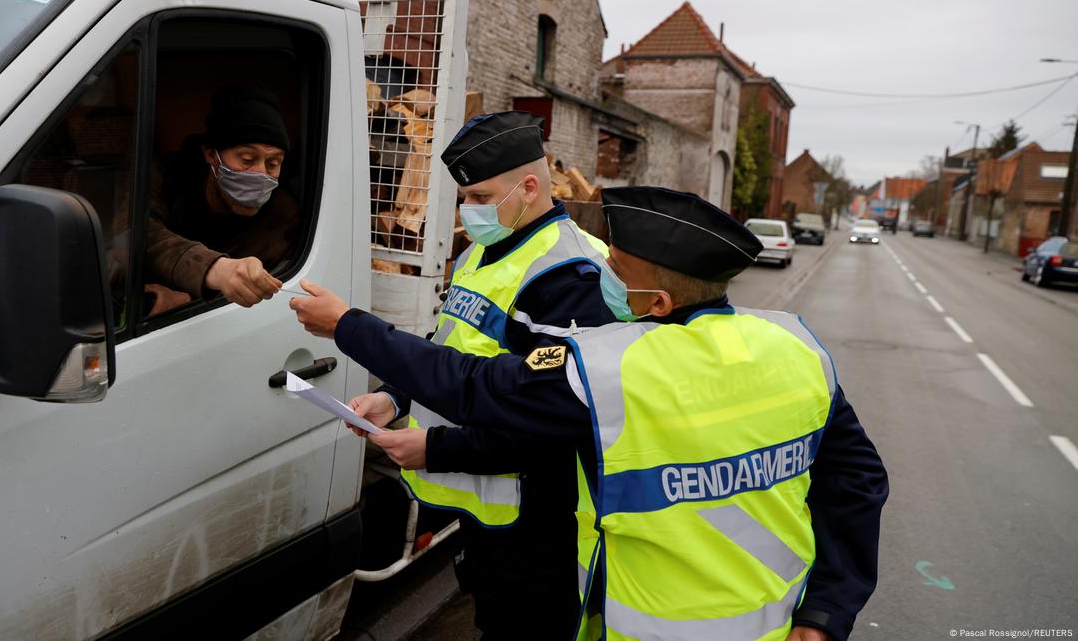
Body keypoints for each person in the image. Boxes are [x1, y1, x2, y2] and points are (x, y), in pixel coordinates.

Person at [291, 187, 889, 641]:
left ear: (656, 301)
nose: (600, 276)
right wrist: (829, 609)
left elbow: (471, 385)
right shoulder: (796, 347)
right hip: (779, 623)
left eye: (616, 271)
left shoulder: (615, 369)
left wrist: (347, 325)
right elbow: (858, 481)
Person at [328, 111, 615, 637]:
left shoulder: (573, 276)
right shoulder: (480, 253)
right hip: (490, 513)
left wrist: (435, 450)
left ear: (529, 188)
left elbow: (548, 422)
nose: (469, 210)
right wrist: (395, 400)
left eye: (481, 197)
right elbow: (448, 348)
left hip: (543, 526)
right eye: (465, 197)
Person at [137, 84, 298, 315]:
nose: (261, 174)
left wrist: (189, 298)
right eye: (247, 159)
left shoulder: (284, 219)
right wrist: (216, 270)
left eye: (273, 164)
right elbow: (138, 235)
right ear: (211, 155)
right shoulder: (164, 177)